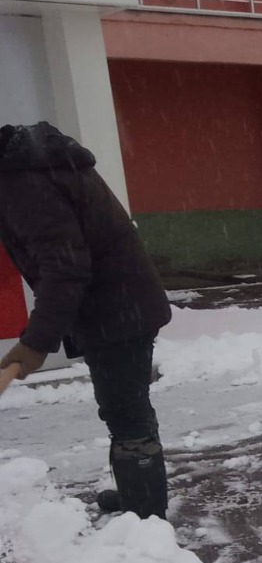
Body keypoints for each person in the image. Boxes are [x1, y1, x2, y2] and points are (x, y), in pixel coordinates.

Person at [0, 122, 172, 519]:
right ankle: (136, 496)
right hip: (115, 303)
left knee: (126, 412)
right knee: (120, 406)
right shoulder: (26, 167)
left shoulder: (23, 184)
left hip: (118, 308)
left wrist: (35, 343)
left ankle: (146, 518)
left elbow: (64, 268)